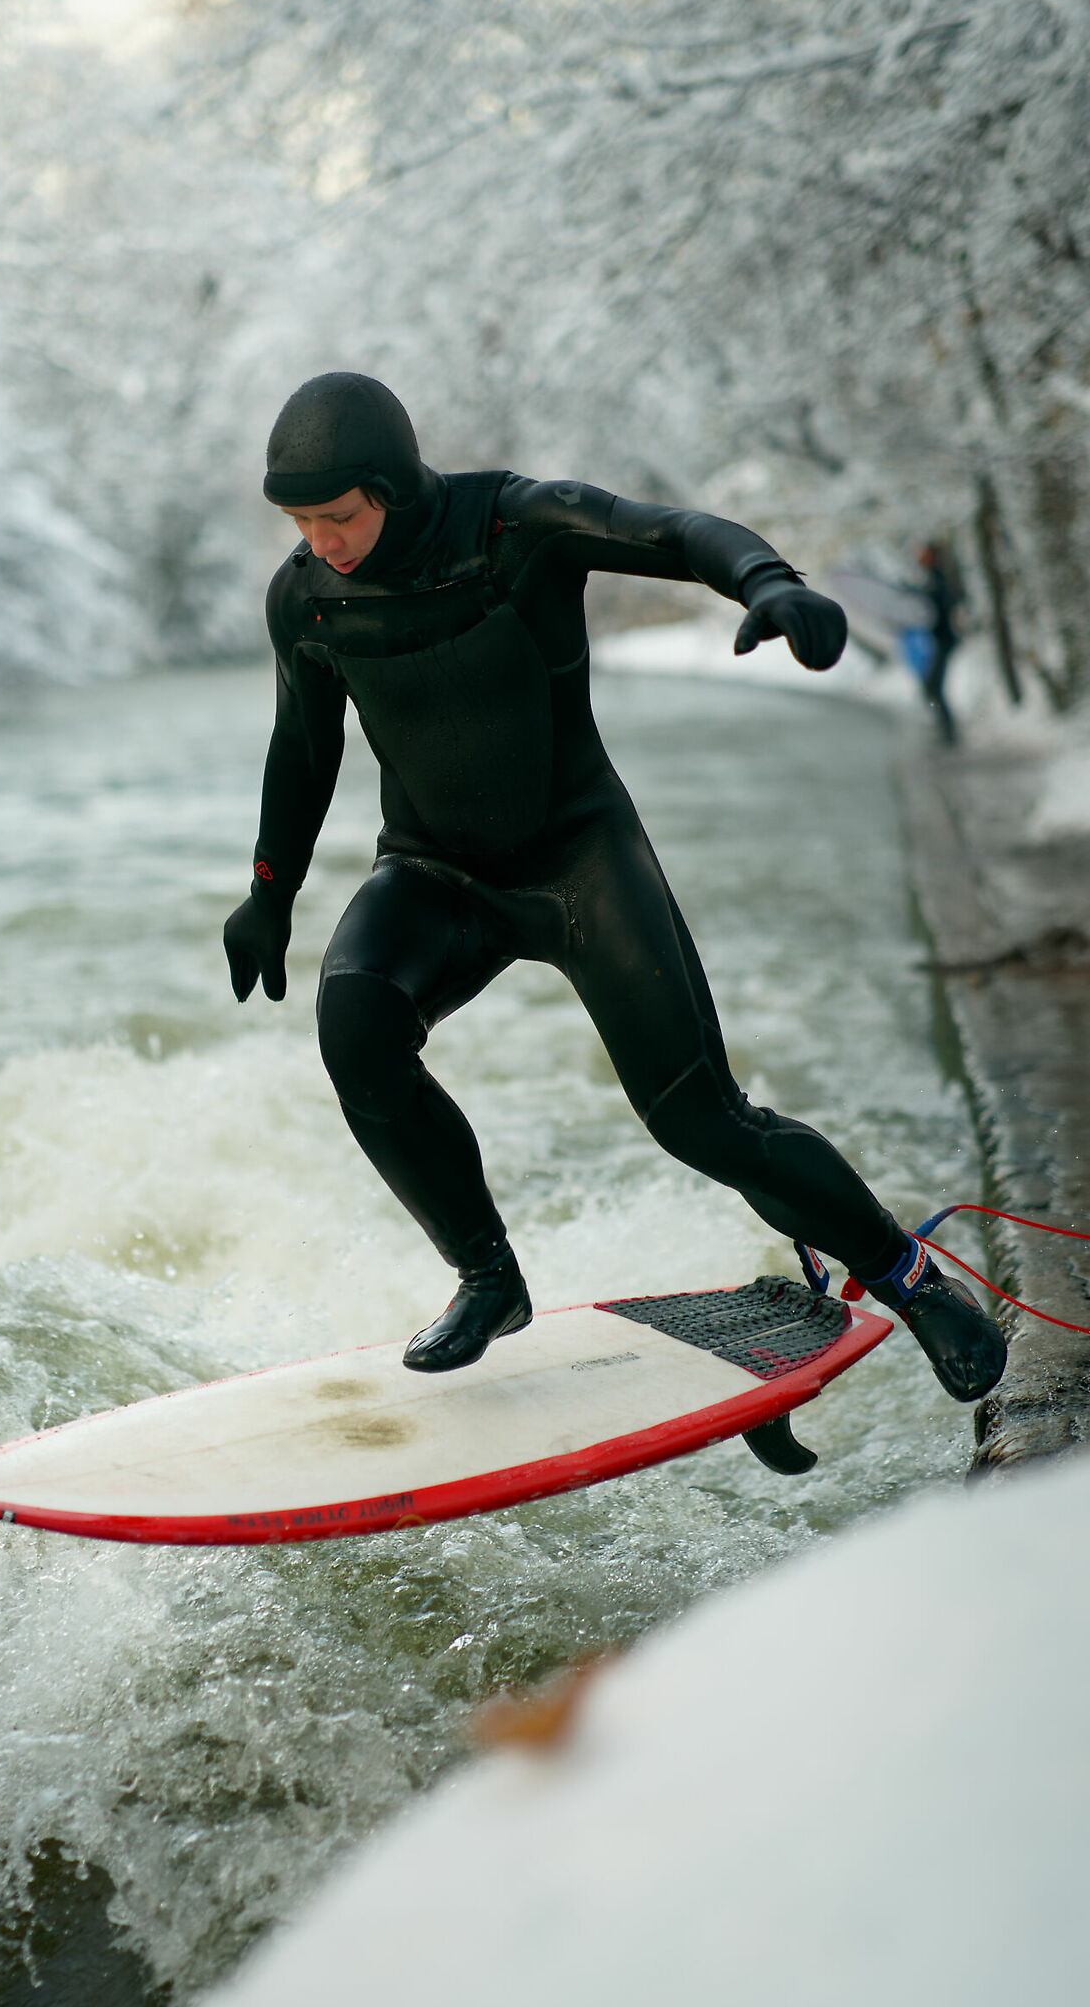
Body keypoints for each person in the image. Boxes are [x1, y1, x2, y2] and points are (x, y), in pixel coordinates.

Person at [223, 372, 1007, 1401]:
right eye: (299, 521)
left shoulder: (512, 525)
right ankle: (487, 1279)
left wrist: (766, 581)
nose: (320, 540)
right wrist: (268, 893)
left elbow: (669, 531)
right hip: (433, 872)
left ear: (395, 487)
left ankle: (910, 1281)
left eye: (340, 515)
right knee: (354, 1026)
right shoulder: (306, 597)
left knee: (699, 1121)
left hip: (576, 860)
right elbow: (301, 748)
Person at [913, 539, 965, 745]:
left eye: (923, 554)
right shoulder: (934, 580)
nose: (919, 558)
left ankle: (948, 734)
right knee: (932, 687)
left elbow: (940, 608)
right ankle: (945, 731)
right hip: (939, 640)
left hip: (943, 641)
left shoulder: (938, 580)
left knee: (933, 687)